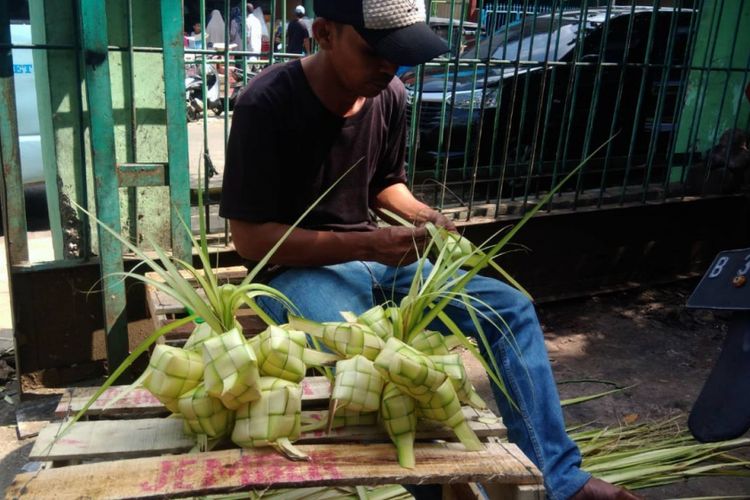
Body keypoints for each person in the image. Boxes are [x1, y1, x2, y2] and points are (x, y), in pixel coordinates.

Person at [220, 0, 639, 498]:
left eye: (399, 56)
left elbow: (385, 186)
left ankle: (561, 478)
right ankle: (440, 488)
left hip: (377, 261)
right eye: (376, 52)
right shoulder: (265, 103)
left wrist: (426, 218)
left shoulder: (389, 94)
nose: (389, 67)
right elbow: (249, 239)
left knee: (509, 309)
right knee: (371, 359)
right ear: (326, 33)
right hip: (293, 275)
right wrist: (370, 243)